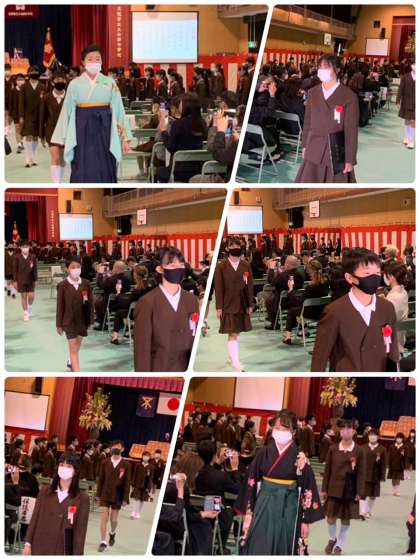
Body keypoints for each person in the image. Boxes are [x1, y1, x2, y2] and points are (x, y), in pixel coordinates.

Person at [236, 409, 324, 555]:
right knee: (259, 543)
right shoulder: (263, 452)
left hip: (289, 506)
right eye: (277, 428)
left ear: (293, 431)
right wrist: (248, 511)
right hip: (264, 504)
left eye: (285, 428)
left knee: (285, 544)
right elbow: (251, 480)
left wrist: (305, 520)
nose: (280, 432)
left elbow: (308, 488)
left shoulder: (300, 457)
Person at [51, 44, 132, 182]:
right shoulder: (74, 84)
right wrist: (60, 138)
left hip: (105, 129)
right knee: (82, 164)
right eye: (90, 59)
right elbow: (67, 111)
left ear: (102, 61)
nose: (94, 62)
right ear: (83, 62)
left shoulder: (110, 82)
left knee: (105, 164)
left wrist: (125, 137)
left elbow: (119, 109)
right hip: (81, 130)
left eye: (97, 59)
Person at [311, 248, 399, 372]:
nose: (374, 278)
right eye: (367, 273)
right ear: (350, 277)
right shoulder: (334, 311)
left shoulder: (387, 307)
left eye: (378, 273)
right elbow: (320, 355)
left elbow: (392, 346)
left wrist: (395, 372)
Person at [133, 246, 199, 372]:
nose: (178, 269)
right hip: (159, 368)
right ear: (159, 269)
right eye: (172, 265)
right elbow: (142, 349)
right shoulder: (147, 302)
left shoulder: (191, 300)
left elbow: (193, 334)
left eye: (181, 265)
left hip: (185, 367)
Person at [296, 55, 359, 183]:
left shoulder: (349, 96)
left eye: (326, 67)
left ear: (337, 69)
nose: (322, 70)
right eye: (320, 67)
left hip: (336, 150)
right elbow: (307, 122)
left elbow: (351, 130)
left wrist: (349, 159)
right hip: (314, 146)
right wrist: (305, 145)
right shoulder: (313, 92)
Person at [23, 452, 89, 555]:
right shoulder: (45, 491)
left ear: (75, 470)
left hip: (63, 547)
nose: (64, 468)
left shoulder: (82, 498)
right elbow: (35, 517)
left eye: (69, 466)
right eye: (61, 465)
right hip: (40, 544)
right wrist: (28, 543)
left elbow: (80, 531)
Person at [322, 418, 366, 555]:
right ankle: (332, 539)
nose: (345, 431)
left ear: (354, 431)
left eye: (349, 428)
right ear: (340, 431)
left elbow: (361, 473)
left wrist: (359, 492)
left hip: (350, 490)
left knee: (345, 520)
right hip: (333, 488)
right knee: (330, 518)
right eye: (343, 428)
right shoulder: (333, 449)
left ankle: (339, 546)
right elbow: (327, 471)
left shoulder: (359, 451)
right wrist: (324, 489)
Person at [214, 236, 254, 372]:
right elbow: (218, 288)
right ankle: (236, 362)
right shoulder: (221, 266)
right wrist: (219, 307)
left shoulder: (246, 265)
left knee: (236, 332)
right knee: (233, 333)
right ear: (227, 248)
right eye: (232, 246)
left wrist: (250, 304)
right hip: (227, 304)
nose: (235, 248)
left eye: (238, 246)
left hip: (242, 303)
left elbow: (249, 286)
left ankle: (232, 357)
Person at [195, 439, 241, 551]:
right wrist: (235, 468)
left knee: (218, 503)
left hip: (199, 510)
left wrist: (218, 462)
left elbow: (210, 472)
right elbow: (238, 489)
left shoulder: (197, 473)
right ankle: (222, 547)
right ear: (214, 455)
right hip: (216, 512)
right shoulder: (220, 476)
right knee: (229, 509)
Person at [56, 256, 93, 372]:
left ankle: (70, 361)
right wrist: (58, 324)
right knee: (73, 350)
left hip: (82, 321)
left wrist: (91, 321)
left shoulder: (86, 284)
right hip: (69, 322)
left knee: (77, 346)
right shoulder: (62, 285)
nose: (76, 269)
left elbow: (90, 304)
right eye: (73, 267)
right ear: (67, 269)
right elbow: (60, 306)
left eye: (78, 267)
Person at [282, 260, 329, 345]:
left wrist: (291, 290)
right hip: (322, 311)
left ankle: (288, 337)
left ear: (310, 272)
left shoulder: (310, 287)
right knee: (299, 309)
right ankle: (305, 330)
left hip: (310, 312)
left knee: (292, 310)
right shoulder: (326, 283)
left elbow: (299, 302)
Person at [96, 440, 131, 552]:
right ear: (111, 448)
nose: (116, 449)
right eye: (114, 447)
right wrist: (98, 494)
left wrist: (125, 498)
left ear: (122, 449)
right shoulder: (105, 462)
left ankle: (112, 532)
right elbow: (101, 479)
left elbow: (127, 483)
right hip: (105, 493)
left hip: (118, 495)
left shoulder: (126, 464)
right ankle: (103, 542)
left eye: (118, 447)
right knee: (104, 517)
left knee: (113, 520)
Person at [39, 72, 67, 182]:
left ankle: (60, 180)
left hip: (65, 132)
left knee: (62, 159)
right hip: (51, 131)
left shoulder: (70, 97)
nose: (60, 82)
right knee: (55, 158)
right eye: (57, 80)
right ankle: (56, 183)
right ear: (52, 82)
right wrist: (41, 135)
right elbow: (42, 117)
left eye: (62, 80)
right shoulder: (46, 98)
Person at [19, 65, 45, 168]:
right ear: (29, 74)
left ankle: (33, 157)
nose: (34, 73)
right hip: (28, 114)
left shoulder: (42, 86)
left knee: (35, 137)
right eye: (32, 72)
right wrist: (21, 116)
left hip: (39, 115)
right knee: (28, 135)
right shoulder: (24, 86)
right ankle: (28, 158)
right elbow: (21, 102)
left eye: (36, 71)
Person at [359, 428, 386, 520]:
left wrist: (382, 476)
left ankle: (368, 511)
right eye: (370, 435)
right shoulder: (362, 447)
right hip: (364, 475)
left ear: (378, 436)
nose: (372, 436)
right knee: (362, 494)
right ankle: (362, 511)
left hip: (375, 476)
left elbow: (383, 464)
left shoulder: (382, 449)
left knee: (372, 495)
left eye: (374, 435)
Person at [383, 261, 409, 352]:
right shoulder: (403, 291)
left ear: (391, 277)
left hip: (392, 343)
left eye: (386, 275)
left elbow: (385, 324)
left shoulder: (392, 297)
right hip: (400, 336)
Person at [13, 241, 37, 321]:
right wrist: (15, 281)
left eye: (26, 247)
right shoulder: (17, 257)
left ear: (29, 247)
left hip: (31, 279)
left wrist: (35, 279)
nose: (25, 248)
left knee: (31, 296)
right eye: (23, 247)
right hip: (21, 279)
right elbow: (15, 270)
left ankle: (30, 307)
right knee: (23, 296)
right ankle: (25, 313)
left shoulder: (33, 256)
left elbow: (35, 269)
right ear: (20, 248)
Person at [397, 59, 415, 149]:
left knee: (413, 120)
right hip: (406, 101)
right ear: (411, 66)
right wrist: (398, 100)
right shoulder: (405, 77)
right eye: (414, 64)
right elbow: (400, 88)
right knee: (407, 120)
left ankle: (411, 140)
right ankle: (407, 137)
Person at [130, 451, 154, 519]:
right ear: (142, 457)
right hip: (137, 484)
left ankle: (138, 512)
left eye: (147, 456)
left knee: (142, 499)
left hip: (145, 485)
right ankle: (133, 512)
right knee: (136, 498)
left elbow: (151, 477)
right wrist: (133, 483)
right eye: (144, 456)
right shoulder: (138, 465)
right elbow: (134, 474)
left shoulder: (151, 467)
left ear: (149, 457)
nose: (145, 457)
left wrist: (149, 487)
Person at [388, 432, 405, 497]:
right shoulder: (391, 446)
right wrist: (388, 464)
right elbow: (389, 455)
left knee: (398, 479)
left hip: (400, 466)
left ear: (402, 439)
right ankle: (393, 491)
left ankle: (397, 491)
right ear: (396, 438)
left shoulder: (404, 447)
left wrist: (403, 455)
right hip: (392, 465)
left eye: (400, 438)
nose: (399, 439)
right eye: (398, 438)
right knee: (393, 479)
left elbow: (406, 457)